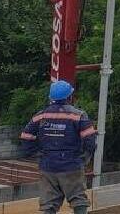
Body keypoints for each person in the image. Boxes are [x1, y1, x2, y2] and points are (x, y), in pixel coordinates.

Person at [19, 80, 96, 214]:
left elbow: (26, 137)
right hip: (71, 165)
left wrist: (38, 155)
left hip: (48, 166)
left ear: (51, 97)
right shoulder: (78, 115)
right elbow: (90, 140)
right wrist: (83, 159)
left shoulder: (41, 116)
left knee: (49, 204)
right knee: (78, 200)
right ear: (69, 97)